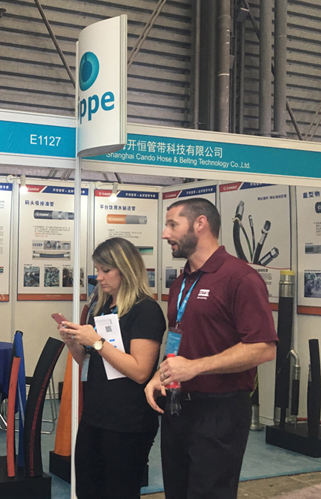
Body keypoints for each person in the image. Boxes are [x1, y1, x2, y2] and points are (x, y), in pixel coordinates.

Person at [145, 197, 277, 499]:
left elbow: (264, 348)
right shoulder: (181, 282)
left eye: (172, 225)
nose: (165, 234)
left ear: (200, 224)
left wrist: (196, 367)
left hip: (220, 411)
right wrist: (160, 374)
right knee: (176, 491)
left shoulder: (240, 278)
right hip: (178, 407)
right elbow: (181, 338)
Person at [58, 237, 166, 499]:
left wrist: (96, 341)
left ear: (125, 269)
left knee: (119, 491)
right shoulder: (102, 307)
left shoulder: (146, 310)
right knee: (87, 489)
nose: (99, 277)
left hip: (128, 421)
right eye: (97, 270)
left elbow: (140, 371)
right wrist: (73, 343)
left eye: (106, 270)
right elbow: (89, 362)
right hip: (95, 415)